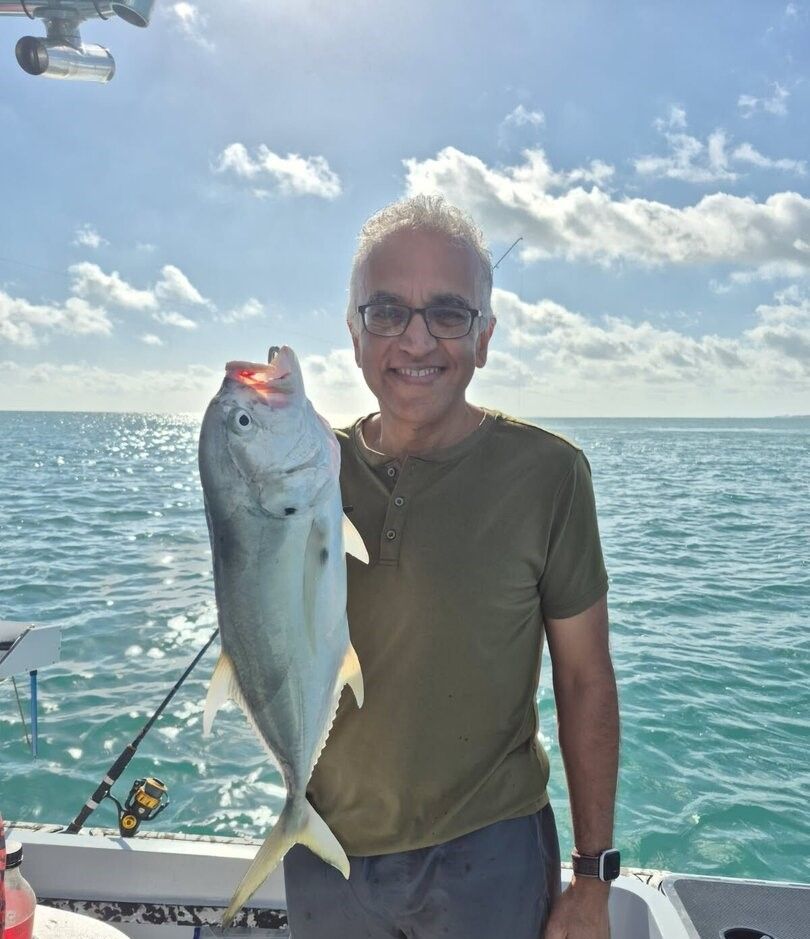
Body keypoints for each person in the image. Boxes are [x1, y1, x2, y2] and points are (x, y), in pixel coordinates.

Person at [283, 195, 620, 939]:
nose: (415, 338)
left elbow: (585, 680)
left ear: (485, 337)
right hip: (324, 850)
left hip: (489, 856)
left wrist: (592, 875)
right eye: (386, 311)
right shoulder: (304, 472)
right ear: (353, 333)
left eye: (447, 312)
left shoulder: (550, 473)